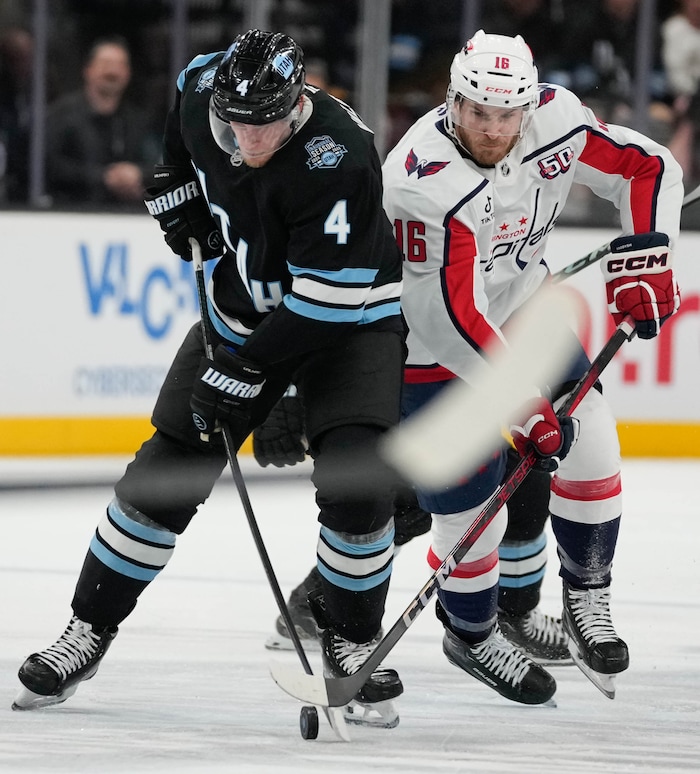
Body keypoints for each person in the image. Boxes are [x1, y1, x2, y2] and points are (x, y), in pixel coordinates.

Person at [14, 29, 405, 728]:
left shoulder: (338, 153)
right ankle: (86, 632)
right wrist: (176, 182)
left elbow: (328, 302)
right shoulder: (203, 91)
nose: (250, 140)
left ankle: (351, 641)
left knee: (359, 481)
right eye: (238, 122)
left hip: (349, 329)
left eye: (266, 125)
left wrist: (253, 373)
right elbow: (184, 102)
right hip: (240, 317)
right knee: (161, 475)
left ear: (296, 104)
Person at [381, 30, 681, 704]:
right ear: (453, 101)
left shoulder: (558, 121)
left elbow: (650, 166)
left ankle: (588, 598)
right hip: (433, 346)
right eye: (477, 113)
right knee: (469, 509)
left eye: (506, 115)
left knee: (593, 435)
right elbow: (453, 317)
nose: (492, 129)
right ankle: (471, 631)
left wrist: (645, 255)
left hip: (522, 317)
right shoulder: (419, 177)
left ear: (527, 105)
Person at [258, 394, 572, 665]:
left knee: (522, 485)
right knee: (409, 502)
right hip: (375, 392)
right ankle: (321, 606)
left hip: (433, 393)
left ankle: (512, 617)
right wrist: (282, 398)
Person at [44, 35, 158, 209]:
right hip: (69, 214)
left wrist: (138, 174)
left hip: (128, 217)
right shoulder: (60, 116)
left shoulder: (138, 121)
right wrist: (102, 178)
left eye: (120, 65)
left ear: (128, 73)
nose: (112, 72)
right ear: (88, 69)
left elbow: (161, 163)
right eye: (105, 63)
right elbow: (48, 166)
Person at [662, 0, 700, 185]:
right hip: (681, 97)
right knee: (689, 113)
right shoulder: (674, 29)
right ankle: (677, 181)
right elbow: (676, 76)